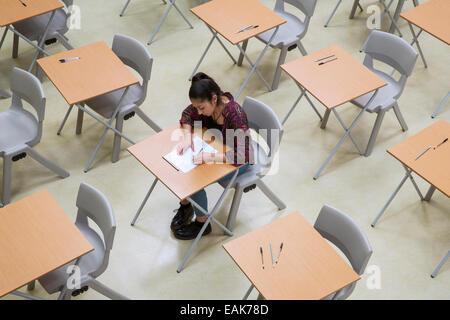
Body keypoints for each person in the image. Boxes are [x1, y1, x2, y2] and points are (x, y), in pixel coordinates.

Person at [171, 72, 252, 240]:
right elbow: (187, 114)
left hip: (239, 161)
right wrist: (187, 136)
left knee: (195, 178)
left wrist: (210, 157)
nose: (199, 113)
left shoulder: (234, 114)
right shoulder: (207, 107)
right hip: (217, 147)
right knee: (184, 168)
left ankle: (202, 223)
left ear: (214, 99)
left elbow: (244, 154)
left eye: (202, 108)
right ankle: (186, 205)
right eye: (197, 108)